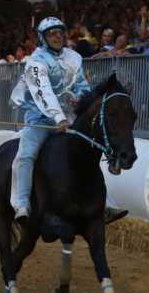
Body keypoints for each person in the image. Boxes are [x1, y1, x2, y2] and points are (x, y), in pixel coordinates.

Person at [9, 17, 127, 224]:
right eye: (52, 34)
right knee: (25, 155)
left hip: (69, 116)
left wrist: (82, 99)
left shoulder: (73, 56)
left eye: (60, 33)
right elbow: (43, 92)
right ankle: (21, 203)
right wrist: (59, 117)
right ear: (43, 38)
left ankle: (105, 203)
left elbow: (81, 84)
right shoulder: (35, 62)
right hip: (40, 118)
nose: (57, 37)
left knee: (86, 154)